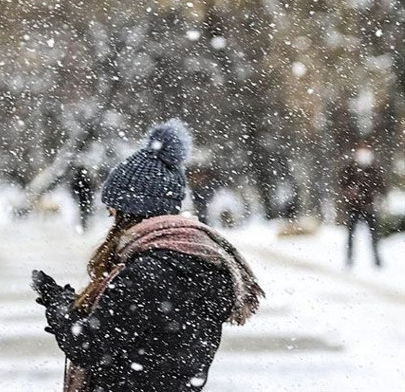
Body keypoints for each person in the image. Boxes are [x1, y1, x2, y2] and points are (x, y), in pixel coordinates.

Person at [31, 120, 264, 392]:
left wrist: (59, 307)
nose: (111, 218)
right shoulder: (203, 261)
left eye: (114, 211)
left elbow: (90, 346)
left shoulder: (147, 273)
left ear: (130, 211)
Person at [338, 143, 385, 268]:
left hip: (369, 206)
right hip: (353, 207)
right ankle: (349, 259)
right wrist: (350, 191)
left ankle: (377, 260)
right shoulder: (350, 167)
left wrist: (379, 198)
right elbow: (342, 182)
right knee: (351, 235)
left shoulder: (374, 168)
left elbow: (380, 186)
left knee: (374, 235)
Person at [69, 165, 94, 232]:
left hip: (81, 198)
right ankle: (84, 225)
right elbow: (90, 188)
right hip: (85, 198)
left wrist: (74, 195)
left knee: (83, 212)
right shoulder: (86, 178)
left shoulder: (77, 179)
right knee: (85, 211)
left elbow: (73, 188)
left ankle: (84, 225)